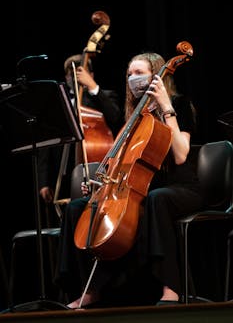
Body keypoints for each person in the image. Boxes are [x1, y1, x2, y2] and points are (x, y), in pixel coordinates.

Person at [55, 51, 204, 308]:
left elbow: (180, 155)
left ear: (156, 75)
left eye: (139, 73)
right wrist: (100, 184)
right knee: (77, 207)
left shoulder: (178, 104)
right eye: (129, 74)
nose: (133, 79)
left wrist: (166, 107)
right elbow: (123, 163)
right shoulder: (132, 117)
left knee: (157, 200)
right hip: (140, 188)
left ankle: (171, 288)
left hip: (180, 187)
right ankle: (89, 290)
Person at [38, 54, 122, 210]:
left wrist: (92, 87)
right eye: (71, 74)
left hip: (94, 168)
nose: (74, 78)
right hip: (63, 172)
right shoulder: (58, 104)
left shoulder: (105, 96)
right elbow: (47, 144)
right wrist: (44, 181)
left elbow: (115, 116)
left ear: (91, 75)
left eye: (79, 73)